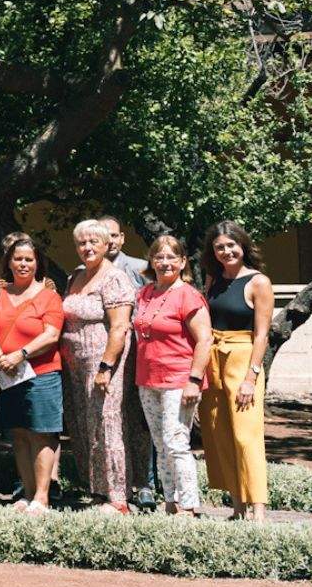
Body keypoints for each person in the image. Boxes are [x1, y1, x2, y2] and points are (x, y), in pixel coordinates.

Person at [59, 218, 149, 513]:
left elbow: (120, 327)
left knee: (108, 424)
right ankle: (97, 491)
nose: (87, 247)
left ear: (106, 244)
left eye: (93, 242)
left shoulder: (115, 278)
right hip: (75, 366)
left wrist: (106, 367)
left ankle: (118, 496)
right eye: (81, 242)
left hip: (103, 363)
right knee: (85, 426)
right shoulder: (76, 276)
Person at [199, 219, 273, 521]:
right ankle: (237, 506)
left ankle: (258, 510)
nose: (226, 251)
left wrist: (251, 377)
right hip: (214, 358)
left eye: (231, 245)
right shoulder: (212, 279)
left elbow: (262, 335)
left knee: (246, 435)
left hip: (243, 358)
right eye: (220, 247)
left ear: (242, 245)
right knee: (220, 433)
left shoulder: (258, 282)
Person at [132, 235, 211, 517]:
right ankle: (170, 502)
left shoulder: (188, 294)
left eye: (171, 257)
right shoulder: (144, 293)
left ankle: (189, 505)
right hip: (148, 379)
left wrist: (194, 380)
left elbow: (204, 340)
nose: (165, 262)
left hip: (179, 379)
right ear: (151, 261)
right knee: (160, 443)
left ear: (182, 262)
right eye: (159, 257)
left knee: (177, 442)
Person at [0, 233, 65, 513]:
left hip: (41, 372)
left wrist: (19, 355)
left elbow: (51, 335)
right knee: (18, 434)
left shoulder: (49, 296)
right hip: (8, 374)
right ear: (8, 262)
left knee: (41, 434)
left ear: (37, 263)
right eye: (17, 259)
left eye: (29, 260)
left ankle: (42, 497)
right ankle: (27, 492)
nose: (23, 264)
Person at [99, 215, 149, 287]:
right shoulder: (84, 273)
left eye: (114, 235)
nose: (110, 241)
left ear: (122, 238)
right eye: (104, 236)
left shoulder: (141, 268)